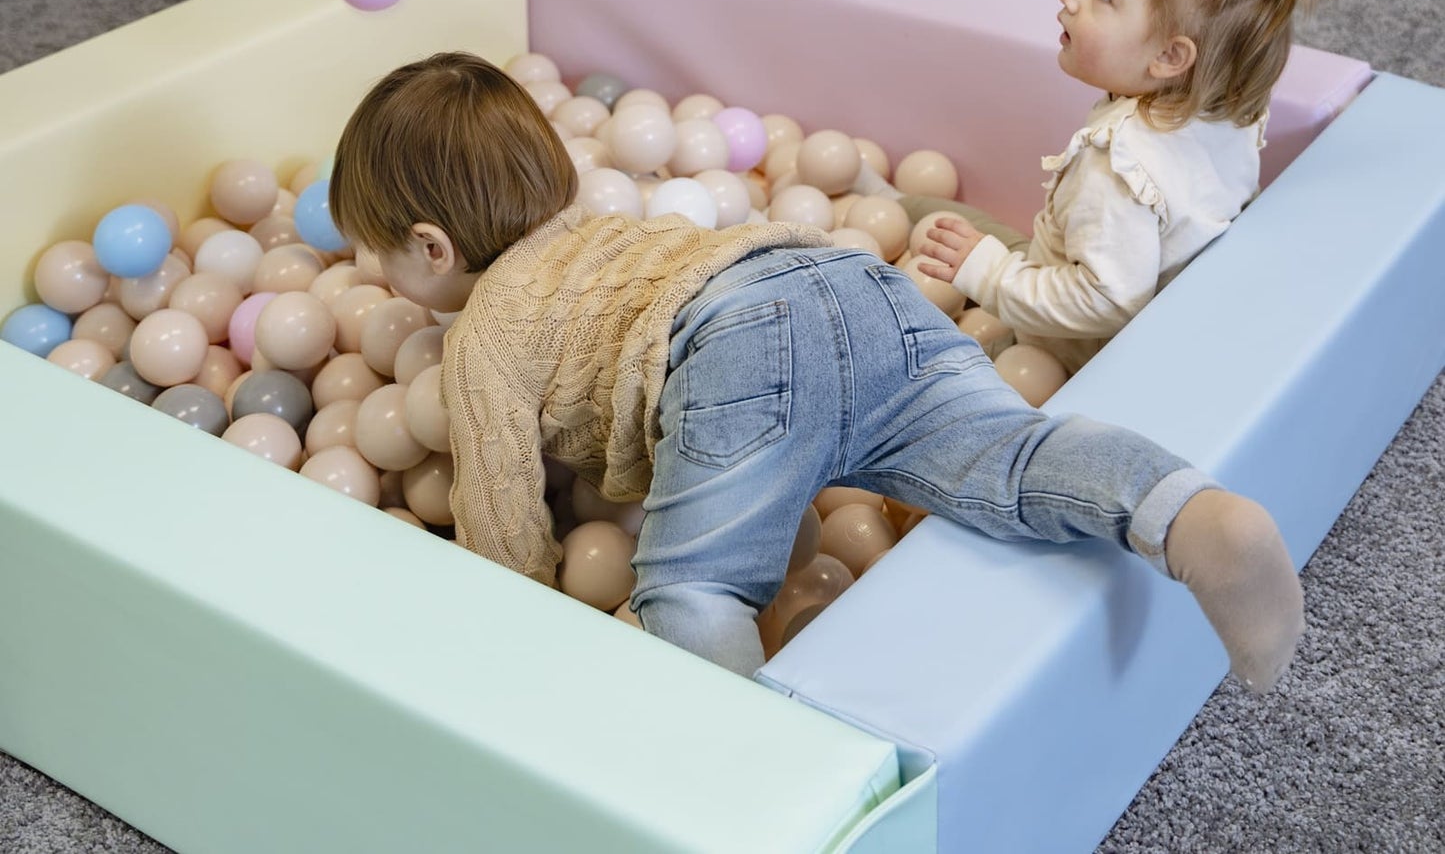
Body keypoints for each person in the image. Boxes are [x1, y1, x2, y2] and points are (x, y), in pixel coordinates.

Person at [329, 50, 1305, 689]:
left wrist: (507, 646)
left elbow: (501, 517)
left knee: (695, 589)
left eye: (373, 251)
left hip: (728, 341)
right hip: (843, 278)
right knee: (1007, 455)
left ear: (431, 246)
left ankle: (746, 781)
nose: (370, 274)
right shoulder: (595, 224)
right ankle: (1188, 511)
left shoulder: (483, 330)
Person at [915, 0, 1335, 374]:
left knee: (925, 369)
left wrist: (989, 275)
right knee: (935, 222)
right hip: (1063, 297)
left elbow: (1107, 299)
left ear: (1170, 58)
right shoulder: (1223, 114)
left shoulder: (1118, 168)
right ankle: (879, 193)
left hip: (1056, 356)